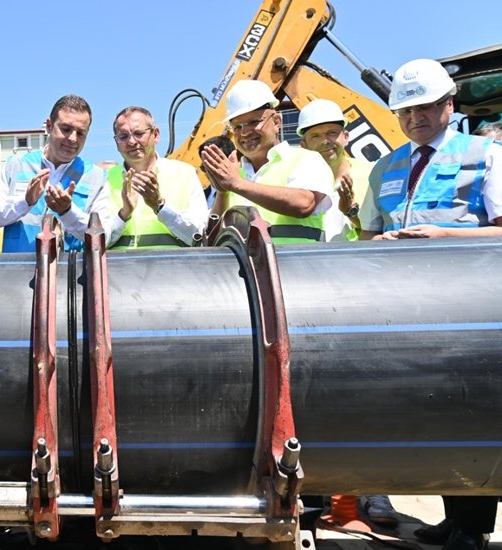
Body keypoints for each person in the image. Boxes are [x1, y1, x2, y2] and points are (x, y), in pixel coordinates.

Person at [359, 58, 502, 550]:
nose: (416, 117)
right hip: (408, 310)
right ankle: (451, 515)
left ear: (448, 105)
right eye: (406, 110)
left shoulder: (485, 154)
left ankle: (474, 526)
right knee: (433, 409)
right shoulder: (386, 166)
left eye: (425, 107)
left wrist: (446, 235)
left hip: (473, 308)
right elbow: (368, 234)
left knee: (471, 410)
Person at [201, 80, 333, 243]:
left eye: (253, 122)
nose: (245, 132)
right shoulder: (235, 174)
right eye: (237, 127)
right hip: (245, 268)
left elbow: (305, 204)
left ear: (276, 121)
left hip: (298, 266)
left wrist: (237, 184)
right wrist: (222, 192)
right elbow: (216, 235)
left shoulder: (306, 159)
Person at [0, 94, 111, 252]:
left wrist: (68, 212)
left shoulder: (97, 177)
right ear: (49, 126)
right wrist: (25, 202)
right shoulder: (16, 165)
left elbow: (104, 236)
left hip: (70, 274)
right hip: (16, 273)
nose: (73, 138)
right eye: (66, 129)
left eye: (81, 133)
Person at [107, 106, 208, 249]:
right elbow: (95, 243)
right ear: (116, 142)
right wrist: (123, 214)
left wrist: (160, 206)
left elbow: (199, 236)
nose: (131, 142)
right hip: (119, 270)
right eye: (123, 136)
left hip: (174, 269)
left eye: (138, 133)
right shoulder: (104, 180)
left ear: (156, 135)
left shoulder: (185, 174)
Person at [297, 99, 375, 242]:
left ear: (346, 137)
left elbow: (379, 231)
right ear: (304, 145)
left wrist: (350, 210)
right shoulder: (294, 181)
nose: (325, 141)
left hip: (356, 262)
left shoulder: (372, 175)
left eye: (332, 133)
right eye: (315, 136)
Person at [198, 135, 236, 209]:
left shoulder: (245, 193)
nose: (210, 172)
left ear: (231, 160)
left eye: (215, 165)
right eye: (205, 167)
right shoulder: (198, 197)